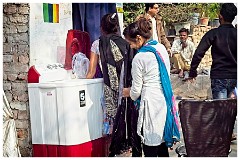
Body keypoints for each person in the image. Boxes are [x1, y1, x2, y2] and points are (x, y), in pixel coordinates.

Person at [122, 18, 180, 157]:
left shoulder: (140, 58)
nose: (130, 46)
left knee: (151, 146)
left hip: (150, 104)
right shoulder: (160, 48)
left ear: (139, 38)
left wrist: (127, 92)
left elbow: (136, 92)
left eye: (130, 42)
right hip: (163, 101)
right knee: (161, 144)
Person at [86, 13, 141, 157]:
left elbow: (91, 72)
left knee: (111, 122)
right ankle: (126, 147)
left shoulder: (97, 44)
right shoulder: (127, 43)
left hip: (110, 89)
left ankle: (112, 151)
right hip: (127, 90)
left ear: (101, 28)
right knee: (126, 119)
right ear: (117, 27)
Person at [187, 3, 237, 142]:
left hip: (219, 77)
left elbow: (199, 53)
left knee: (220, 107)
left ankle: (222, 138)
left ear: (220, 16)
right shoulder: (236, 34)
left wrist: (192, 72)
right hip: (234, 77)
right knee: (229, 106)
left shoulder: (213, 33)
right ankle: (229, 132)